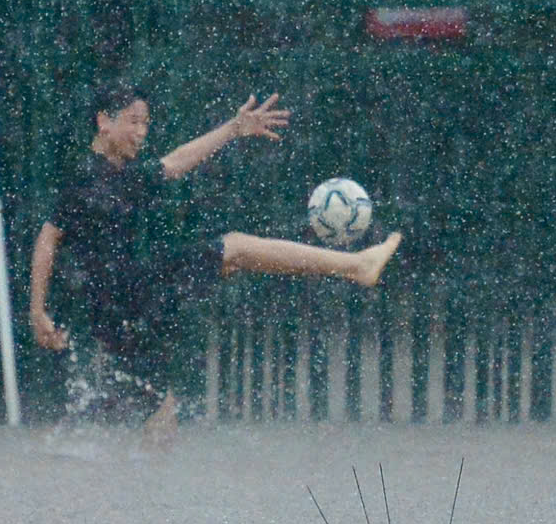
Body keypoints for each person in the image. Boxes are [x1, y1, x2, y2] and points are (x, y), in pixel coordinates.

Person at [29, 82, 400, 430]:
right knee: (235, 249)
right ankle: (356, 266)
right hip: (128, 299)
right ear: (104, 122)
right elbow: (49, 237)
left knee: (158, 410)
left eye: (146, 123)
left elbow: (172, 164)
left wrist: (234, 128)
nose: (142, 132)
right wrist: (37, 309)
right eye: (133, 122)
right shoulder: (87, 177)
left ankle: (129, 479)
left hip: (132, 300)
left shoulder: (119, 173)